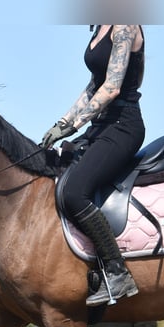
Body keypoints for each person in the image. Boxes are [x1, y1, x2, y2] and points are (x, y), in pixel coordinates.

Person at [42, 25, 146, 306]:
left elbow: (111, 88)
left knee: (75, 193)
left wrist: (74, 125)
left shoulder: (125, 27)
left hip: (123, 126)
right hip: (101, 126)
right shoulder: (102, 27)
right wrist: (62, 122)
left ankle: (117, 272)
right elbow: (93, 86)